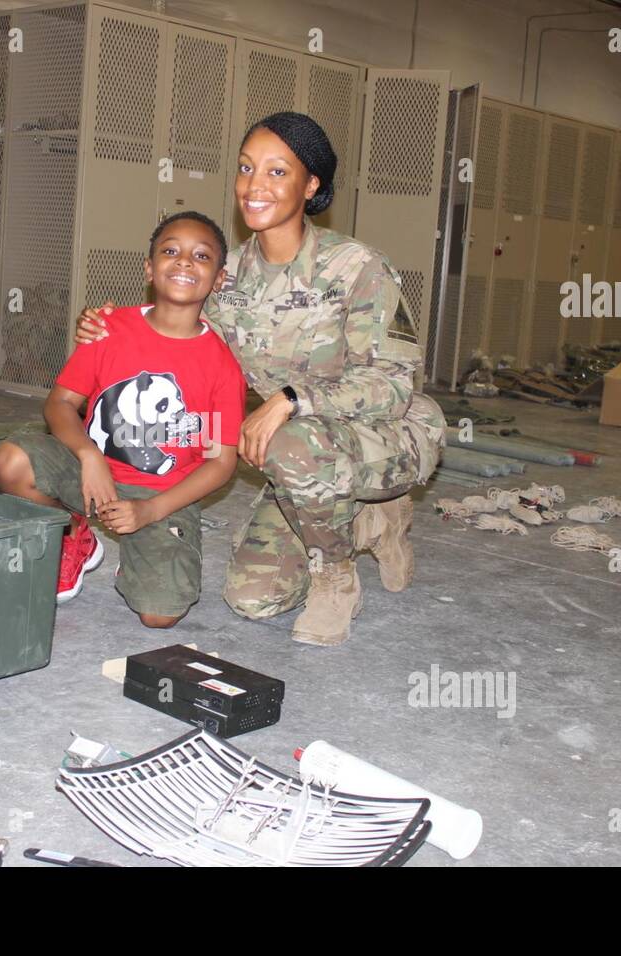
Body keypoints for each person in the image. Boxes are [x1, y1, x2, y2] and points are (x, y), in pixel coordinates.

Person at [77, 112, 445, 646]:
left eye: (277, 172)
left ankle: (335, 579)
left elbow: (392, 386)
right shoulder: (230, 279)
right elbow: (177, 337)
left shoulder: (356, 266)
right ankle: (368, 522)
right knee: (253, 599)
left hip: (389, 435)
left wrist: (291, 400)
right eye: (247, 169)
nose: (255, 186)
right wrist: (111, 325)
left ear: (311, 184)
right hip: (304, 452)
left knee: (291, 442)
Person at [0, 211, 246, 628]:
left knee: (159, 616)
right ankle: (72, 536)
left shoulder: (220, 367)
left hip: (162, 494)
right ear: (149, 267)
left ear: (219, 279)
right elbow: (59, 403)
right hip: (90, 473)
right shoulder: (108, 330)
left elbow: (220, 462)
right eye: (170, 251)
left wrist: (150, 511)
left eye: (201, 256)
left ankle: (141, 556)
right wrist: (88, 455)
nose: (184, 262)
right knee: (10, 461)